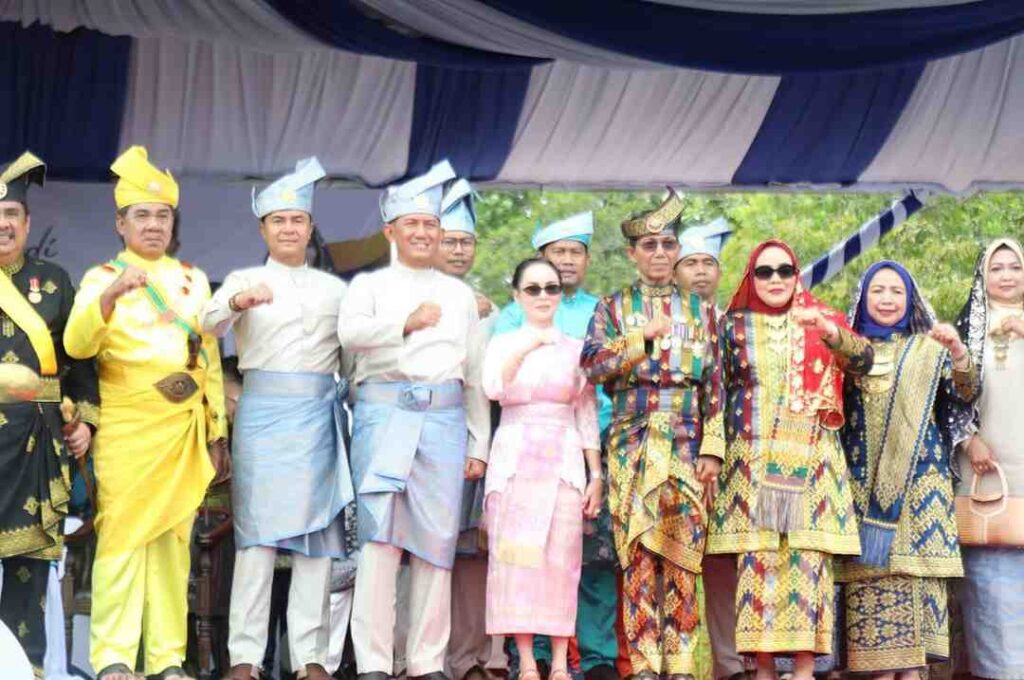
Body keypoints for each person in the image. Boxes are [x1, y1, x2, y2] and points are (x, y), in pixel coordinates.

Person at [64, 145, 229, 680]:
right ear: (121, 223)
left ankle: (166, 659)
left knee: (172, 543)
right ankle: (113, 656)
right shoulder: (100, 277)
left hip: (181, 429)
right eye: (142, 215)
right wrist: (111, 295)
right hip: (126, 426)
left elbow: (208, 358)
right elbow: (77, 343)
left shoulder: (193, 279)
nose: (154, 225)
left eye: (163, 215)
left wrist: (217, 431)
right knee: (121, 539)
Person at [202, 157, 353, 680]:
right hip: (263, 415)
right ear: (262, 229)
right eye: (278, 221)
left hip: (317, 416)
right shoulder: (244, 278)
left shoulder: (336, 290)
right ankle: (244, 657)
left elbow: (354, 358)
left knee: (317, 541)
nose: (289, 228)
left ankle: (310, 657)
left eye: (297, 220)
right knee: (257, 539)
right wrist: (238, 301)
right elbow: (206, 323)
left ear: (310, 228)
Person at [339, 160, 490, 680]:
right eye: (412, 224)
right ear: (391, 231)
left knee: (435, 541)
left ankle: (427, 661)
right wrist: (405, 322)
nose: (423, 233)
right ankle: (375, 662)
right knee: (379, 541)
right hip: (385, 414)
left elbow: (474, 375)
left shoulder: (460, 295)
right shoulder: (368, 286)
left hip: (443, 421)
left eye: (430, 225)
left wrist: (479, 443)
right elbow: (349, 334)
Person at [704, 239, 872, 680]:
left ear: (797, 276)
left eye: (785, 270)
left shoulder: (821, 319)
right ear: (751, 278)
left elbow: (864, 361)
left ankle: (803, 669)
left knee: (806, 565)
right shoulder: (732, 326)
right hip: (752, 462)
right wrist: (712, 451)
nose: (775, 279)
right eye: (765, 272)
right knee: (757, 567)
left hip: (811, 461)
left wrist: (830, 334)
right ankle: (761, 669)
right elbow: (715, 392)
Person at [581, 190, 723, 680]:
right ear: (632, 253)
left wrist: (713, 449)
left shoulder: (703, 311)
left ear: (677, 251)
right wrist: (640, 338)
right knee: (638, 552)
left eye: (667, 244)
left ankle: (680, 663)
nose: (659, 253)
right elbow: (592, 366)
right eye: (649, 246)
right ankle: (643, 664)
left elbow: (717, 385)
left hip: (687, 442)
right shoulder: (612, 307)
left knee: (684, 552)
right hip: (631, 442)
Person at [495, 211, 619, 680]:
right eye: (558, 252)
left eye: (575, 252)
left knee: (593, 556)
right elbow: (498, 384)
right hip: (529, 452)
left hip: (595, 442)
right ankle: (535, 655)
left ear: (587, 260)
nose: (567, 261)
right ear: (541, 259)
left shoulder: (602, 311)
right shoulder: (514, 315)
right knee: (529, 554)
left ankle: (599, 657)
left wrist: (596, 461)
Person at [839, 261, 977, 678]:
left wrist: (958, 352)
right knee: (880, 657)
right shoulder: (847, 354)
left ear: (910, 299)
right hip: (866, 506)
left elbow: (965, 394)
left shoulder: (929, 350)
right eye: (878, 290)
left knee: (916, 661)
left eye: (896, 291)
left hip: (922, 504)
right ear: (863, 297)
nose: (887, 299)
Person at [0, 152, 98, 677]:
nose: (3, 224)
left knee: (28, 577)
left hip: (36, 447)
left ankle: (28, 671)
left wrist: (85, 422)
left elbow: (81, 362)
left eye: (11, 214)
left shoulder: (55, 282)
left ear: (28, 222)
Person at [435, 179, 505, 680]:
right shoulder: (406, 298)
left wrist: (482, 445)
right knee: (417, 555)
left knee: (471, 553)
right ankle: (415, 660)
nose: (458, 250)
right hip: (420, 436)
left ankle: (470, 659)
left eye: (465, 242)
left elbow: (488, 388)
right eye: (450, 241)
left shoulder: (491, 309)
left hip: (474, 441)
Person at [673, 218, 748, 680]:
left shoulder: (736, 325)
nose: (700, 271)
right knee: (671, 559)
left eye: (708, 263)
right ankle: (671, 662)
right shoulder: (663, 324)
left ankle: (731, 664)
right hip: (675, 454)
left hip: (735, 457)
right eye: (690, 262)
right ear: (674, 271)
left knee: (724, 561)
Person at [953, 238, 1024, 680]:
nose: (1006, 275)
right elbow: (947, 394)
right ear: (983, 277)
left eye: (1014, 266)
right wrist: (968, 438)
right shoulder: (969, 329)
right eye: (996, 268)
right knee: (992, 591)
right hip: (987, 475)